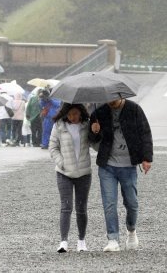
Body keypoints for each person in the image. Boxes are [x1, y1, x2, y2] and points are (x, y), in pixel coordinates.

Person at [89, 96, 153, 252]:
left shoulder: (134, 109)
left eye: (114, 98)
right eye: (108, 98)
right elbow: (91, 140)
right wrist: (94, 131)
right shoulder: (99, 112)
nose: (111, 101)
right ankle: (113, 239)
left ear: (121, 95)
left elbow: (145, 133)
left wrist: (147, 158)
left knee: (132, 203)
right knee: (109, 203)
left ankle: (131, 230)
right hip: (107, 165)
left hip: (128, 165)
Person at [48, 103, 92, 253]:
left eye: (76, 113)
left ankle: (81, 241)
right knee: (66, 207)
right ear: (66, 113)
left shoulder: (87, 125)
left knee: (81, 208)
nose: (73, 117)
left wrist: (97, 132)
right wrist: (62, 163)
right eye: (70, 114)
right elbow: (52, 147)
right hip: (64, 173)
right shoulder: (58, 126)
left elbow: (97, 145)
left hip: (84, 173)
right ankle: (63, 242)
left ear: (81, 113)